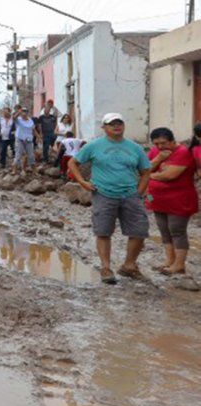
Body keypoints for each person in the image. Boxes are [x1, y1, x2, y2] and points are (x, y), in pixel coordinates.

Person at [69, 113, 151, 285]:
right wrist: (82, 182)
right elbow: (73, 163)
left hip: (130, 194)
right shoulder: (94, 146)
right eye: (111, 124)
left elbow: (145, 171)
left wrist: (139, 192)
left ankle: (129, 265)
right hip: (103, 194)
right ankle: (106, 268)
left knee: (139, 230)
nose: (116, 126)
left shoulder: (135, 148)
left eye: (119, 123)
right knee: (103, 231)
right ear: (104, 127)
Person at [146, 127, 197, 276]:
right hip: (156, 198)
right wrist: (158, 159)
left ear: (173, 140)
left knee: (177, 230)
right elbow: (143, 169)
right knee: (164, 230)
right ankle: (170, 261)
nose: (160, 147)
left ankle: (179, 265)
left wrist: (150, 175)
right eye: (157, 144)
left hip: (179, 198)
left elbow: (169, 175)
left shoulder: (183, 152)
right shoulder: (156, 152)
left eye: (164, 143)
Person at [13, 106, 37, 173]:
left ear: (27, 113)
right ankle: (14, 169)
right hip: (20, 139)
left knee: (31, 155)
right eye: (23, 112)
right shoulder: (19, 119)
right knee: (18, 155)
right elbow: (14, 118)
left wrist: (38, 137)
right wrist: (18, 112)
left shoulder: (30, 121)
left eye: (25, 112)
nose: (24, 113)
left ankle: (34, 169)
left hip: (28, 140)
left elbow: (33, 129)